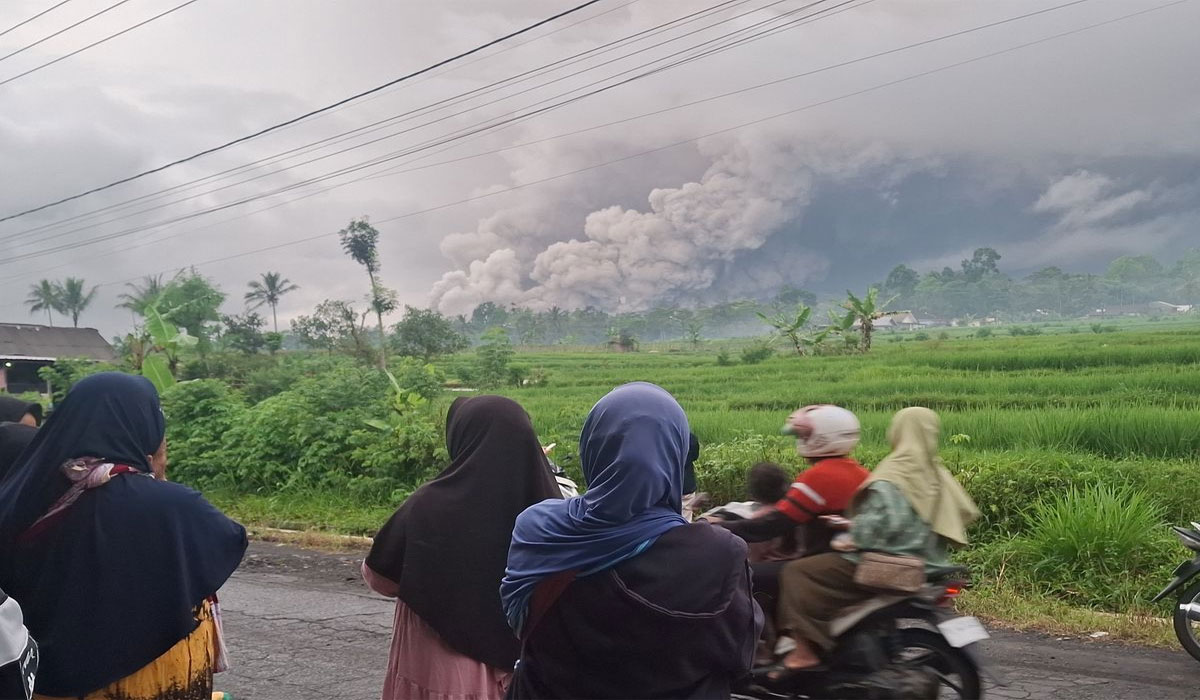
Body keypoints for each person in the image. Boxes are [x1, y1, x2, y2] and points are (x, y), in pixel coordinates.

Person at [502, 382, 762, 699]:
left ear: (593, 447)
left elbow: (518, 622)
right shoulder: (717, 554)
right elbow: (739, 656)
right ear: (677, 452)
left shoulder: (539, 529)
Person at [0, 373, 247, 700]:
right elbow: (229, 538)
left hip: (37, 681)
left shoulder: (24, 495)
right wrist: (157, 480)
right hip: (146, 685)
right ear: (146, 426)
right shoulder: (171, 507)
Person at [363, 395, 562, 700]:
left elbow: (380, 578)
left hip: (438, 673)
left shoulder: (427, 505)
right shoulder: (551, 511)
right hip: (528, 672)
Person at [770, 407, 981, 677]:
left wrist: (852, 532)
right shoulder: (936, 474)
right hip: (927, 564)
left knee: (798, 572)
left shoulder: (895, 472)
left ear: (898, 432)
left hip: (887, 563)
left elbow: (879, 527)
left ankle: (804, 652)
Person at [700, 462, 794, 562]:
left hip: (768, 564)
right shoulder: (795, 507)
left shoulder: (760, 518)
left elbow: (754, 559)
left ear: (754, 492)